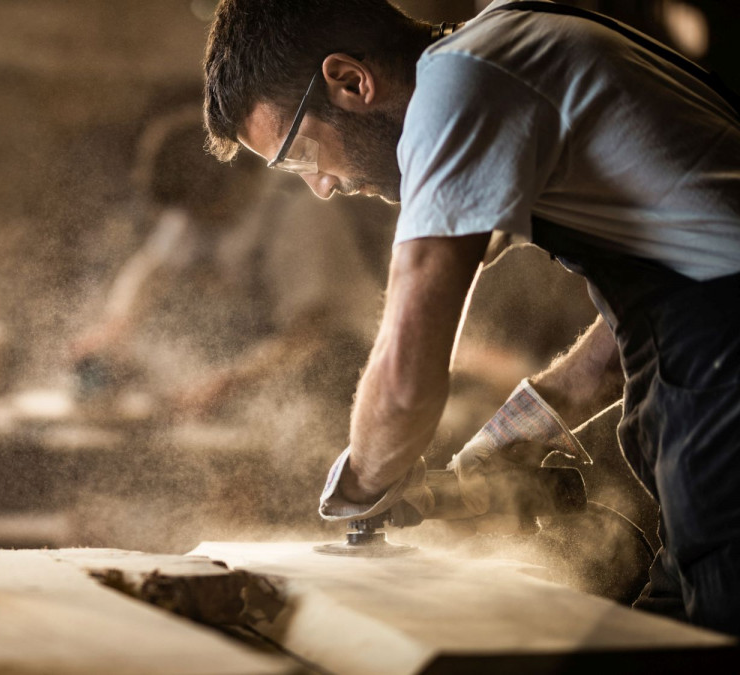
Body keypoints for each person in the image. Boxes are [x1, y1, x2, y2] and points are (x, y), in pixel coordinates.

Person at [202, 0, 740, 634]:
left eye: (299, 155)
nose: (321, 186)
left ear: (351, 80)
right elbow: (676, 292)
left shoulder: (458, 86)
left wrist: (359, 488)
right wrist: (533, 418)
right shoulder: (508, 48)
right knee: (673, 635)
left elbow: (405, 382)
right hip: (714, 367)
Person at [72, 107, 387, 447]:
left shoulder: (300, 211)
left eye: (202, 212)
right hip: (270, 361)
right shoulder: (199, 206)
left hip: (344, 366)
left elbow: (310, 332)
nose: (192, 223)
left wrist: (229, 383)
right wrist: (116, 326)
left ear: (233, 182)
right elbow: (151, 270)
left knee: (306, 448)